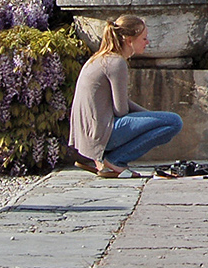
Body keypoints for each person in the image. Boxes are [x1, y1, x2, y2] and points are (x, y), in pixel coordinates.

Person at [68, 15, 183, 178]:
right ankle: (115, 160)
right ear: (129, 40)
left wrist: (148, 116)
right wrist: (150, 117)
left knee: (162, 120)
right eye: (143, 38)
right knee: (174, 122)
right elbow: (121, 110)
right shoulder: (116, 62)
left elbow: (121, 105)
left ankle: (105, 160)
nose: (147, 42)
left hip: (89, 136)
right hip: (101, 134)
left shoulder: (100, 58)